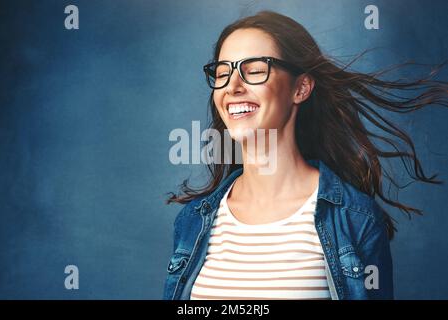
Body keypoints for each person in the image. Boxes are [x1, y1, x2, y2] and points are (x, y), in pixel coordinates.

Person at [163, 10, 448, 300]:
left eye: (255, 70)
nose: (233, 87)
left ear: (301, 88)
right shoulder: (192, 221)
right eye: (223, 73)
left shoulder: (355, 220)